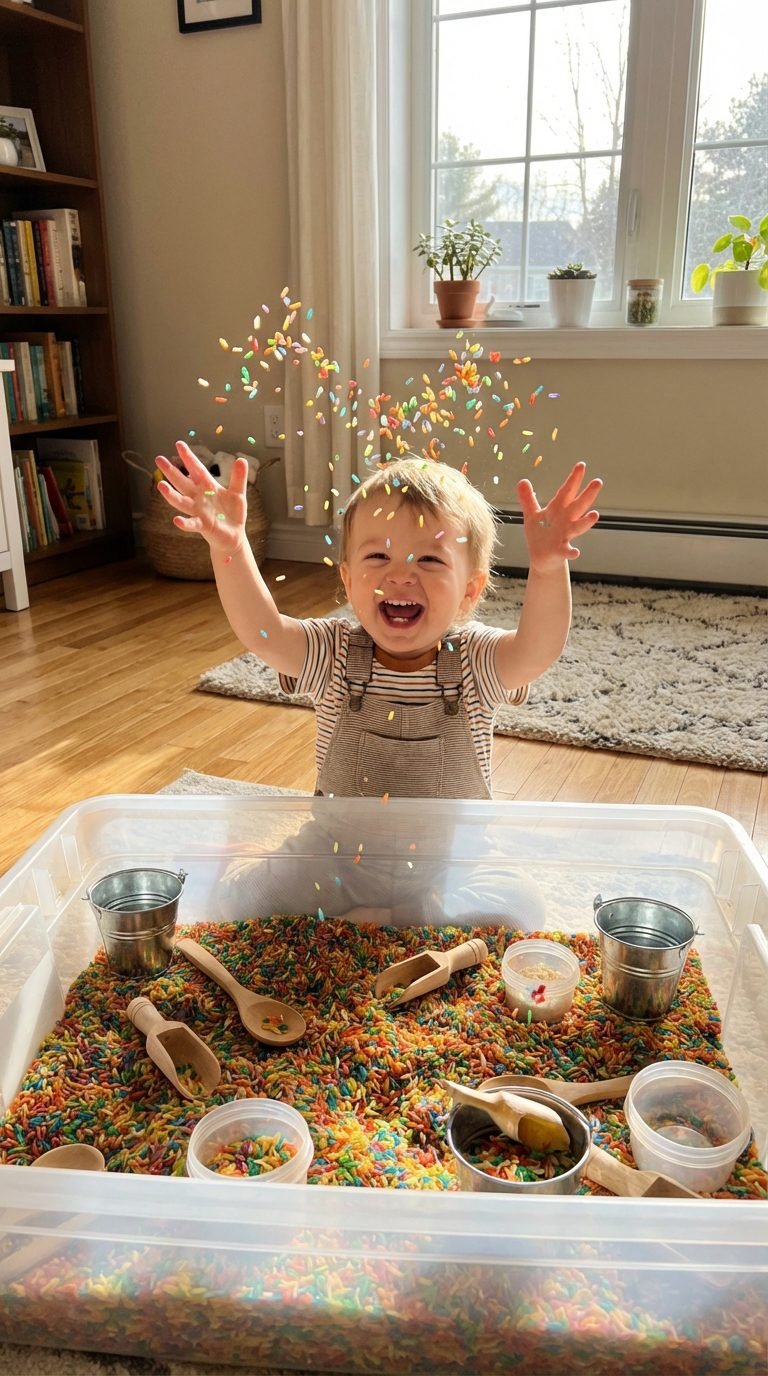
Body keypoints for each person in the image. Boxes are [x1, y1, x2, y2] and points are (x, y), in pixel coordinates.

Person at [156, 442, 601, 925]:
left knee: (520, 909)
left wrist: (549, 567)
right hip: (338, 856)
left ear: (470, 590)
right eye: (377, 556)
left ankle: (398, 914)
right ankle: (241, 863)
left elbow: (536, 650)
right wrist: (231, 547)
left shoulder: (476, 659)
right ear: (348, 581)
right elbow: (265, 634)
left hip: (452, 862)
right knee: (247, 906)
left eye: (430, 560)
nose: (401, 575)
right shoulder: (335, 650)